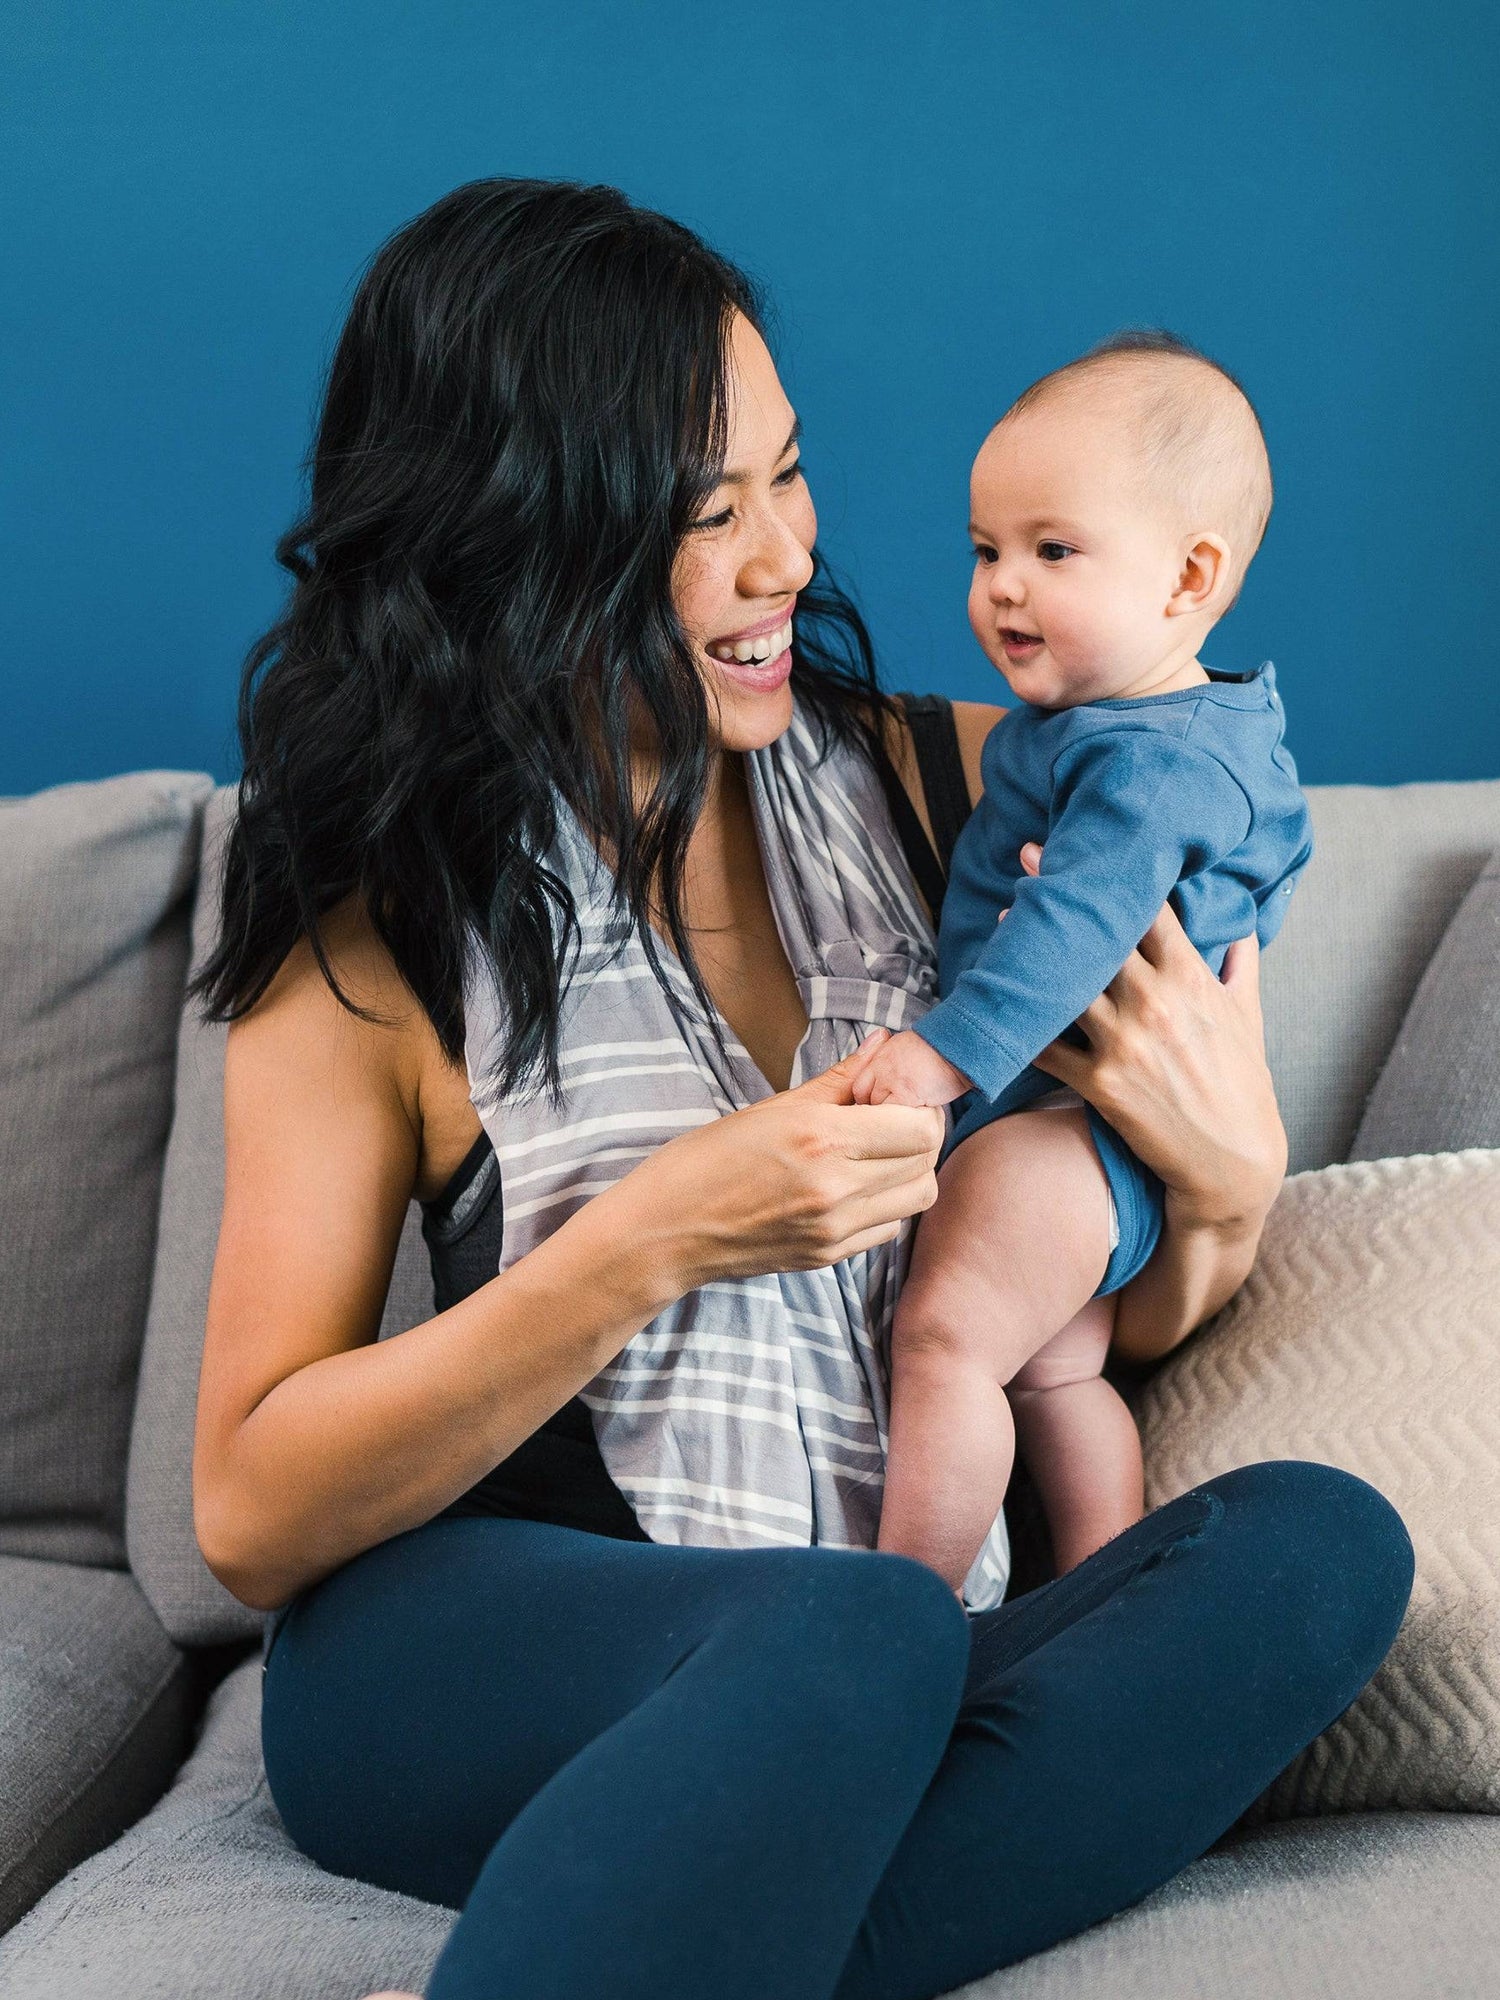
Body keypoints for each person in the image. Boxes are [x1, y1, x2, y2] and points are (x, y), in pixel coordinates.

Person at [190, 178, 1412, 2000]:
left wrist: (1227, 1189)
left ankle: (640, 1945)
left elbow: (1098, 1310)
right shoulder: (376, 932)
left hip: (896, 1657)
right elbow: (249, 1506)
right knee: (847, 1636)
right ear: (521, 543)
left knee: (1319, 1553)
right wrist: (643, 1247)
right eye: (706, 513)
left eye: (788, 472)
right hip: (487, 1657)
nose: (785, 559)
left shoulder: (987, 798)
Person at [854, 334, 1313, 1595]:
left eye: (1052, 551)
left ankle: (903, 1607)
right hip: (1106, 1144)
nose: (1001, 586)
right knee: (1056, 1371)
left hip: (1070, 1128)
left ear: (1189, 576)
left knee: (942, 1339)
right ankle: (1103, 1599)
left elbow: (1074, 929)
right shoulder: (1152, 725)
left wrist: (942, 1059)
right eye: (984, 548)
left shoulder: (1148, 764)